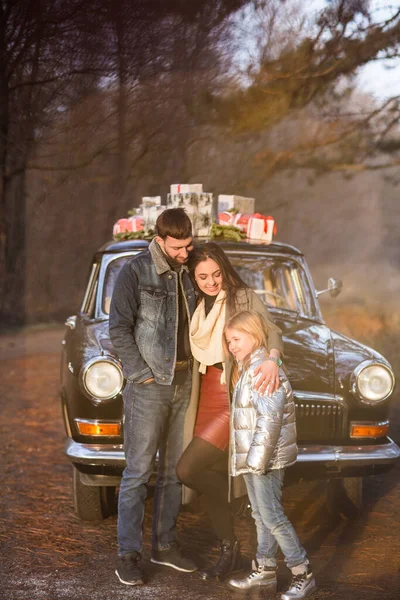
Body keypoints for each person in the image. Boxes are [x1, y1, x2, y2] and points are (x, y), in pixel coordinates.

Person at [176, 242, 284, 581]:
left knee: (188, 469)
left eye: (216, 274)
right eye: (203, 277)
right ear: (193, 278)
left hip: (230, 395)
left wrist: (272, 360)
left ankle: (233, 544)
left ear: (224, 270)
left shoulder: (243, 297)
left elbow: (272, 330)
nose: (211, 282)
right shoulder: (192, 303)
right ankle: (229, 548)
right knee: (205, 474)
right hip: (202, 393)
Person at [109, 208, 198, 586]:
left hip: (185, 383)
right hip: (149, 386)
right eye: (178, 247)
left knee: (174, 471)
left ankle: (166, 545)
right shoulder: (135, 271)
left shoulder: (191, 269)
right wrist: (140, 374)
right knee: (137, 473)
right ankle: (128, 555)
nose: (185, 253)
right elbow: (118, 328)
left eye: (189, 246)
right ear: (160, 240)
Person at [224, 310, 317, 600]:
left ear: (255, 336)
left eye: (237, 339)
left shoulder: (261, 369)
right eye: (229, 341)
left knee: (272, 516)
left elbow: (270, 420)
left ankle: (303, 572)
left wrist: (255, 462)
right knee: (260, 516)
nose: (232, 346)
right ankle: (265, 570)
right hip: (256, 459)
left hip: (264, 459)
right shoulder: (249, 366)